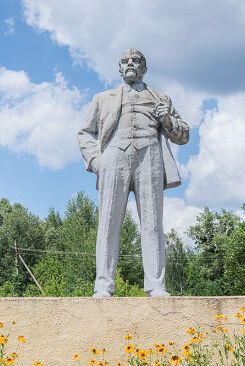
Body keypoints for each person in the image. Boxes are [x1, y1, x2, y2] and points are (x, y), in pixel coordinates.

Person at [77, 48, 190, 297]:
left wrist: (168, 121)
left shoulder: (161, 98)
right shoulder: (102, 98)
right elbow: (85, 132)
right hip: (113, 157)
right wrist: (97, 161)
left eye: (136, 60)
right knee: (108, 223)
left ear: (144, 68)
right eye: (125, 61)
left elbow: (184, 135)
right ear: (119, 68)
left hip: (150, 157)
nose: (130, 63)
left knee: (152, 222)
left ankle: (156, 285)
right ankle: (103, 284)